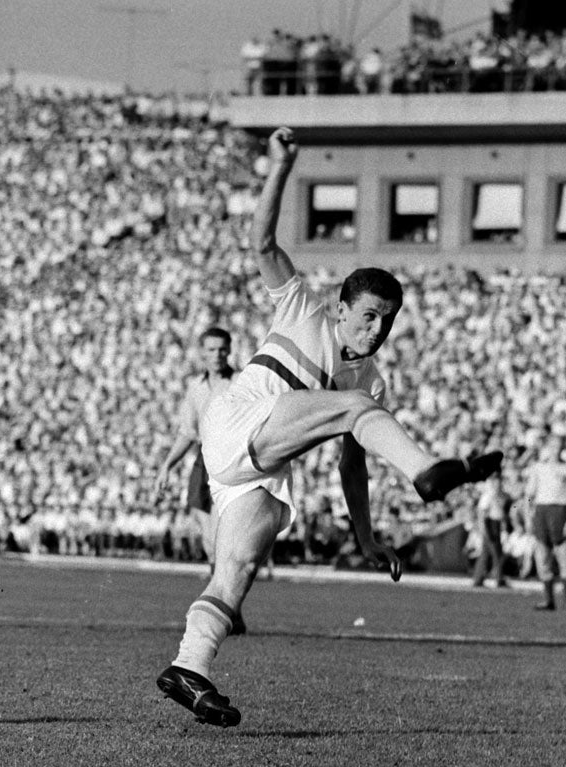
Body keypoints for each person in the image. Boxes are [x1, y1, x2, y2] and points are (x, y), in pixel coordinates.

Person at [156, 126, 502, 727]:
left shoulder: (368, 382)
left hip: (260, 463)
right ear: (341, 309)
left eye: (387, 322)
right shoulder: (301, 307)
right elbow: (261, 240)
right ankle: (427, 471)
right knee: (353, 409)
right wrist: (281, 167)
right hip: (239, 419)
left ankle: (190, 667)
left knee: (236, 569)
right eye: (369, 316)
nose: (376, 331)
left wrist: (366, 540)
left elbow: (352, 465)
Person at [154, 328, 236, 586]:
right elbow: (187, 432)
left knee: (221, 538)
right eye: (211, 349)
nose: (217, 355)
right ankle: (222, 600)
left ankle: (223, 601)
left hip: (230, 460)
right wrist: (167, 465)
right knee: (210, 541)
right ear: (202, 353)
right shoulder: (196, 388)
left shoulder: (241, 382)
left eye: (222, 349)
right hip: (204, 460)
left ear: (229, 350)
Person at [525, 436, 566, 612]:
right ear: (548, 447)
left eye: (559, 446)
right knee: (543, 559)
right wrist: (528, 517)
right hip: (542, 512)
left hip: (560, 512)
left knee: (564, 558)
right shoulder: (538, 468)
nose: (556, 449)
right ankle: (548, 600)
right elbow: (529, 495)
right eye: (553, 446)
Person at [471, 473, 510, 588]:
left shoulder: (500, 495)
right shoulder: (488, 496)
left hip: (496, 523)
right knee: (496, 553)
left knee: (486, 553)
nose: (499, 483)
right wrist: (484, 529)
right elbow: (482, 514)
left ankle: (478, 578)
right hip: (490, 524)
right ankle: (498, 577)